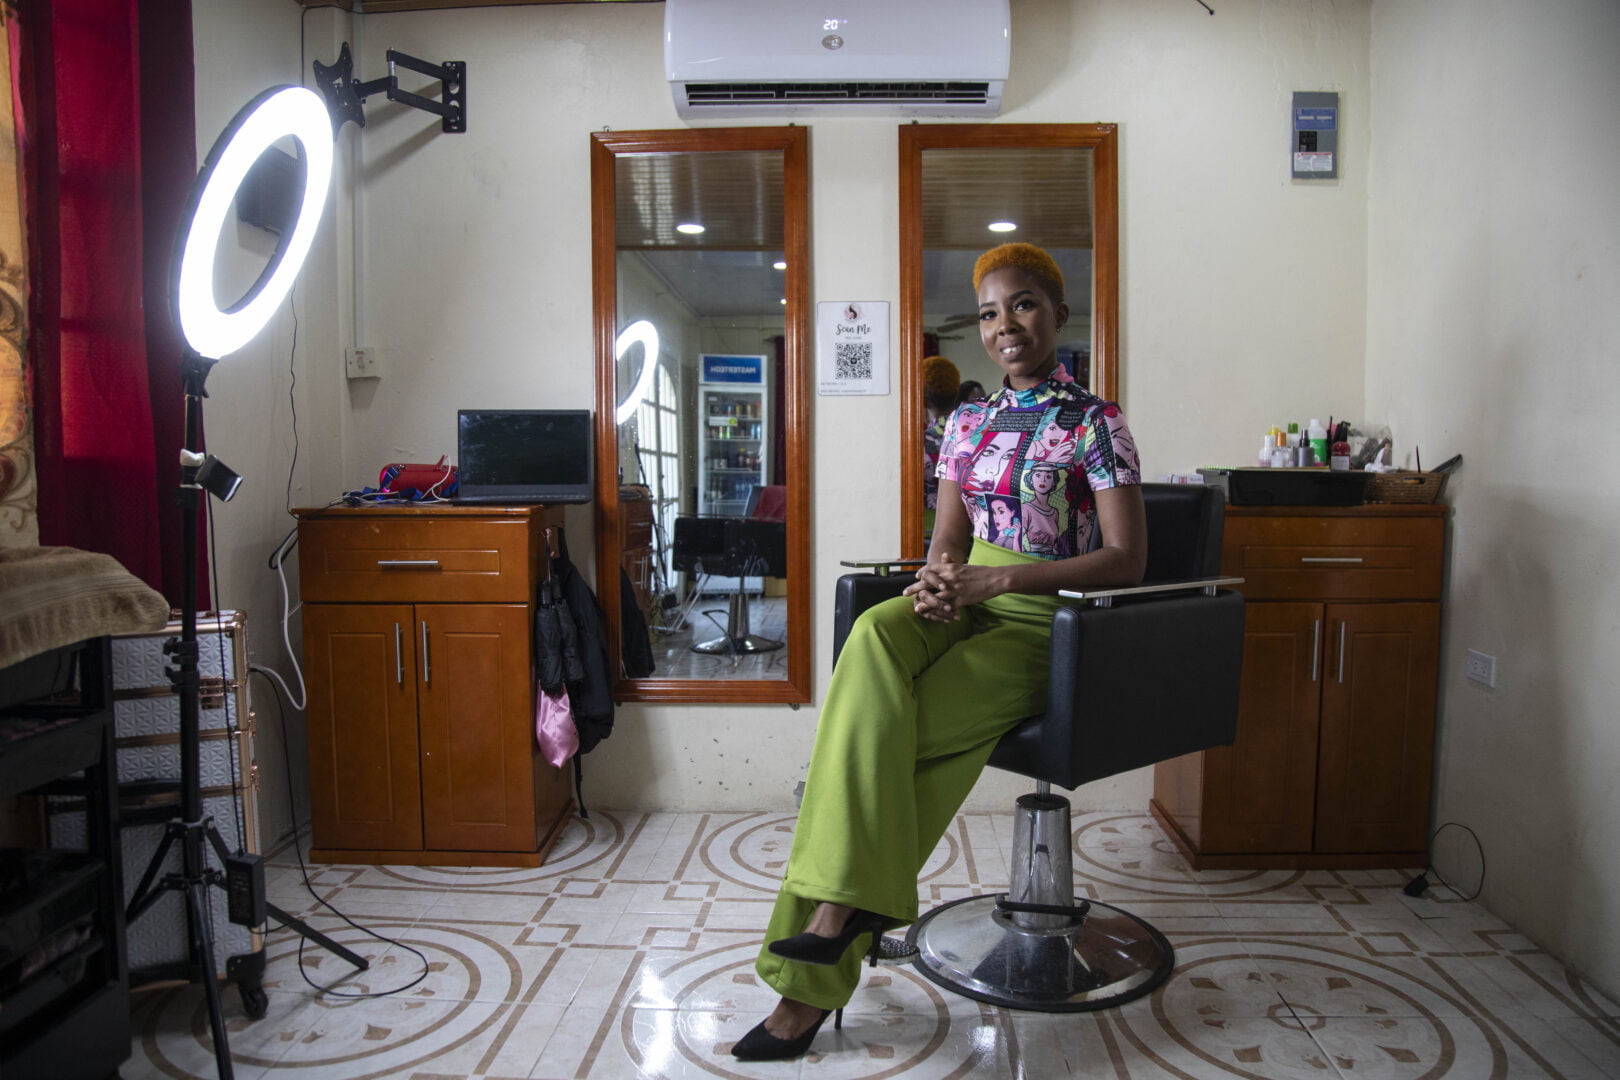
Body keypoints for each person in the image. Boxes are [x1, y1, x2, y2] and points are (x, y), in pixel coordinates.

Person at [732, 242, 1147, 1062]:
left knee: (879, 752)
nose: (1004, 326)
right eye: (990, 312)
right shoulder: (968, 419)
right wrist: (931, 583)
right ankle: (848, 912)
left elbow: (1126, 559)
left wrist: (999, 587)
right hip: (965, 600)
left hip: (1046, 624)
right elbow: (949, 540)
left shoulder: (1097, 423)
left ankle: (813, 966)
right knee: (879, 627)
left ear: (1058, 314)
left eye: (1024, 304)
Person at [920, 355, 960, 532]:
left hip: (930, 528)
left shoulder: (920, 442)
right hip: (968, 527)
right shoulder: (973, 433)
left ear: (923, 399)